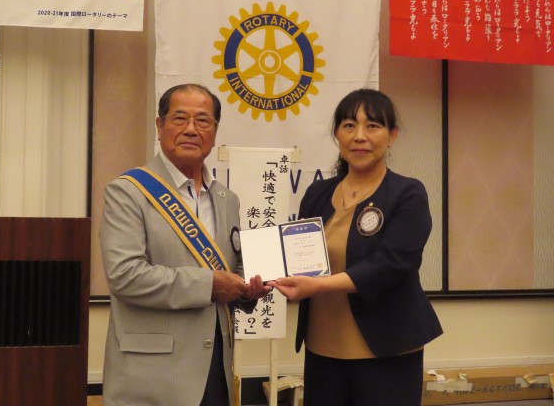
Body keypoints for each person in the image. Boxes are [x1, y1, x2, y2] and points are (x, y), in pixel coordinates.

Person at [269, 89, 443, 406]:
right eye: (349, 125)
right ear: (337, 134)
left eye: (372, 126)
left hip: (387, 349)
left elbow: (390, 264)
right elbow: (298, 256)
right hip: (322, 348)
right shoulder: (317, 193)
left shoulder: (407, 193)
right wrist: (265, 275)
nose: (359, 136)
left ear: (392, 136)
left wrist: (317, 286)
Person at [100, 83, 270, 406]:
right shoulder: (128, 192)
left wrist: (248, 289)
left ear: (215, 131)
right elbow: (125, 276)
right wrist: (210, 284)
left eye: (203, 121)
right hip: (153, 375)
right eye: (180, 118)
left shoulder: (227, 199)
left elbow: (232, 273)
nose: (191, 129)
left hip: (216, 367)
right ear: (160, 125)